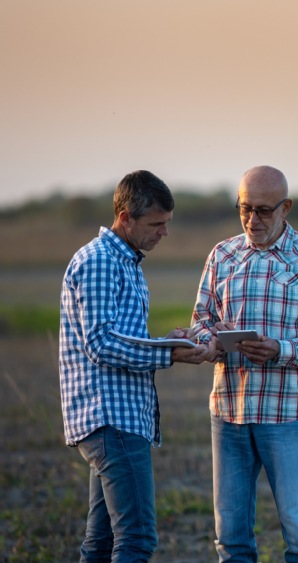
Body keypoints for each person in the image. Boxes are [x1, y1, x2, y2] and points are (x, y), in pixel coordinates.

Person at [59, 170, 216, 562]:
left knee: (102, 544)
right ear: (125, 217)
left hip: (118, 418)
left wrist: (169, 342)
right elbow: (101, 343)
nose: (164, 233)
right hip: (110, 419)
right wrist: (168, 354)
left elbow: (120, 338)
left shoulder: (125, 262)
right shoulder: (99, 262)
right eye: (156, 224)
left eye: (168, 223)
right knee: (137, 539)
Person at [191, 165, 298, 562]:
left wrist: (282, 349)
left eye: (263, 210)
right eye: (244, 209)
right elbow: (200, 322)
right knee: (231, 539)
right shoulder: (221, 255)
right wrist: (211, 339)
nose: (252, 219)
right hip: (229, 412)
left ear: (286, 207)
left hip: (288, 414)